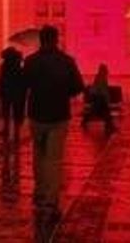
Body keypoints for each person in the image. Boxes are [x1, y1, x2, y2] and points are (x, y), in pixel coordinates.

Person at [22, 25, 84, 220]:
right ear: (56, 39)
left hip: (37, 115)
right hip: (59, 115)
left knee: (38, 155)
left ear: (41, 40)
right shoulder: (67, 61)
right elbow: (77, 87)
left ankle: (40, 190)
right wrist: (63, 92)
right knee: (54, 159)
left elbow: (25, 85)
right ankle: (51, 199)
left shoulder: (31, 61)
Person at [0, 47, 26, 141]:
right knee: (16, 112)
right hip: (17, 93)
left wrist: (1, 91)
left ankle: (6, 129)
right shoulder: (18, 67)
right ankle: (16, 132)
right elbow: (22, 81)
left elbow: (2, 80)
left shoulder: (4, 66)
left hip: (6, 92)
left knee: (6, 111)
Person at [84, 63, 114, 134]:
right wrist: (107, 99)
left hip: (97, 97)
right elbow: (103, 90)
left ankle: (110, 125)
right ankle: (110, 125)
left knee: (96, 111)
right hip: (99, 98)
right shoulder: (102, 78)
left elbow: (99, 89)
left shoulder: (99, 77)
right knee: (103, 112)